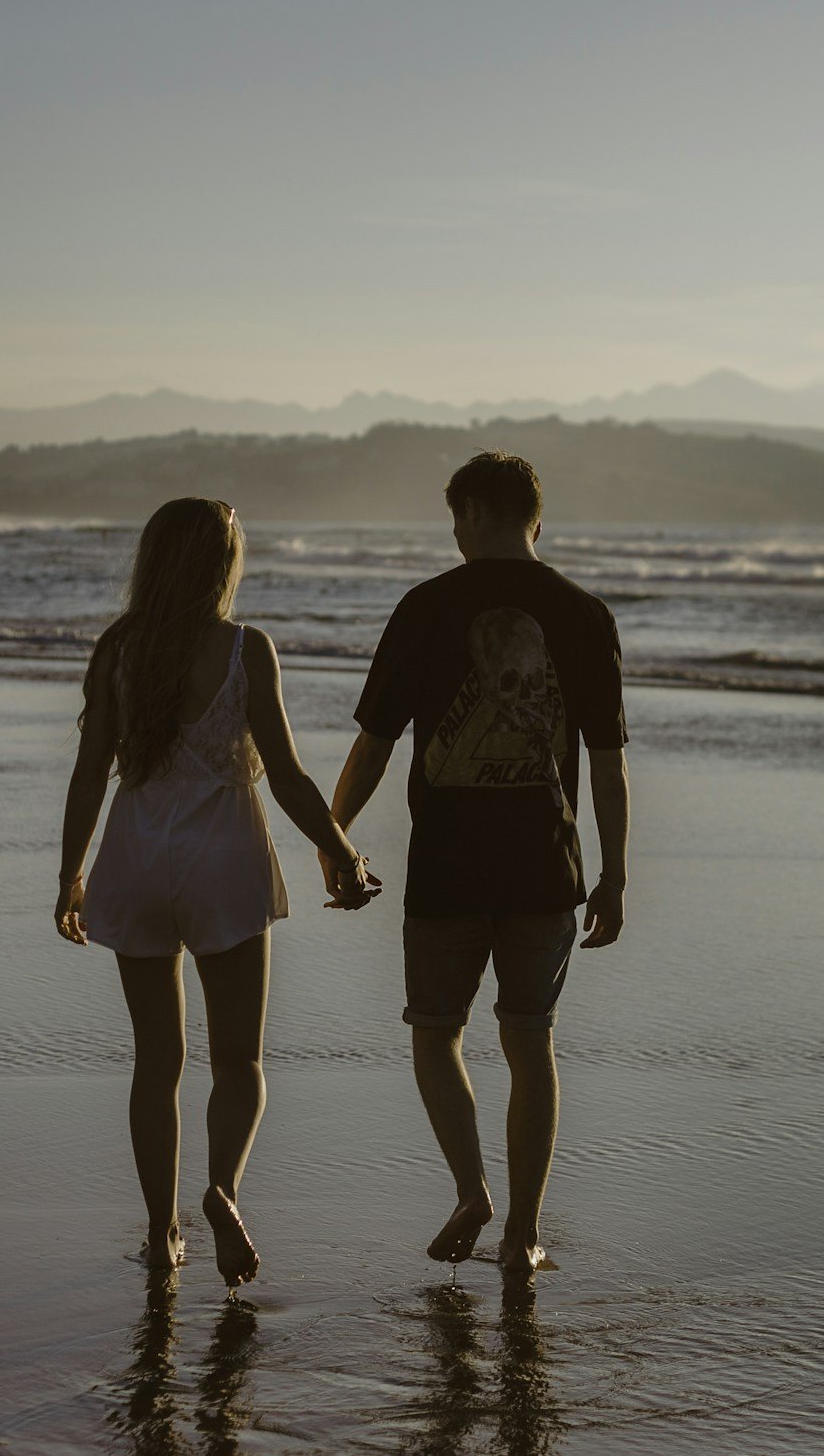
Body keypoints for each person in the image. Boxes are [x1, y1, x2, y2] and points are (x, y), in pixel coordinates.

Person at [54, 496, 380, 1288]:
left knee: (155, 1062)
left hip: (136, 860)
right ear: (221, 567)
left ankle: (162, 1233)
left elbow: (90, 769)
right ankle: (221, 1190)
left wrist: (70, 874)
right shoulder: (245, 650)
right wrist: (342, 850)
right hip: (223, 860)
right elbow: (292, 776)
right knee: (239, 1061)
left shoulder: (118, 650)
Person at [327, 451, 631, 1276]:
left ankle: (473, 1189)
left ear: (475, 513)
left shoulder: (426, 606)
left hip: (448, 869)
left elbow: (375, 745)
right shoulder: (583, 612)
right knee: (531, 1042)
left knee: (436, 1033)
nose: (454, 534)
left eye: (456, 518)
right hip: (545, 866)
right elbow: (606, 761)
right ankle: (524, 1232)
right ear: (536, 516)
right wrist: (615, 874)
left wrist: (331, 835)